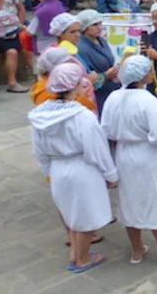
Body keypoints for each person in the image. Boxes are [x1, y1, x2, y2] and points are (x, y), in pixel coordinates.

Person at [29, 62, 117, 273]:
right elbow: (97, 149)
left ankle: (75, 254)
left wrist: (48, 170)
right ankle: (83, 259)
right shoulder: (83, 116)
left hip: (58, 167)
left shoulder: (39, 115)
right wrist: (110, 174)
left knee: (71, 213)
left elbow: (38, 149)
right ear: (76, 85)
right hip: (83, 168)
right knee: (86, 215)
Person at [100, 55, 157, 268]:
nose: (152, 72)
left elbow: (106, 129)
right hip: (149, 155)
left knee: (130, 200)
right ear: (141, 76)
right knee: (156, 199)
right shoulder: (148, 100)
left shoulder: (113, 97)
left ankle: (137, 249)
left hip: (124, 154)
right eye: (149, 70)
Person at [74, 10, 120, 113]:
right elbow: (86, 79)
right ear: (84, 28)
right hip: (98, 94)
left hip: (111, 88)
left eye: (100, 23)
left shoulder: (101, 40)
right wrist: (106, 76)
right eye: (94, 25)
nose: (99, 27)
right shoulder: (81, 49)